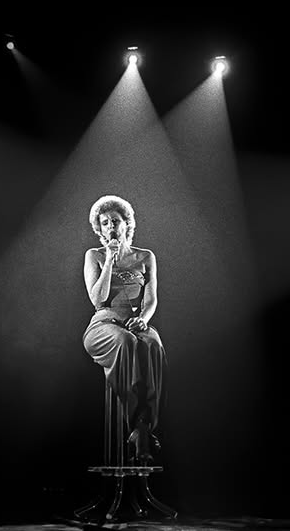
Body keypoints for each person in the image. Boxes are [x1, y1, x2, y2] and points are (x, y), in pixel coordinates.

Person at [82, 195, 166, 464]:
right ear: (99, 229)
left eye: (115, 221)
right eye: (104, 223)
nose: (110, 227)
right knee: (125, 342)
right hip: (104, 326)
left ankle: (144, 426)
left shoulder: (145, 257)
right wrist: (109, 260)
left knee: (153, 343)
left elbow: (151, 298)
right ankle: (137, 428)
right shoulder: (94, 256)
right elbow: (98, 300)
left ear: (126, 224)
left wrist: (144, 318)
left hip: (135, 323)